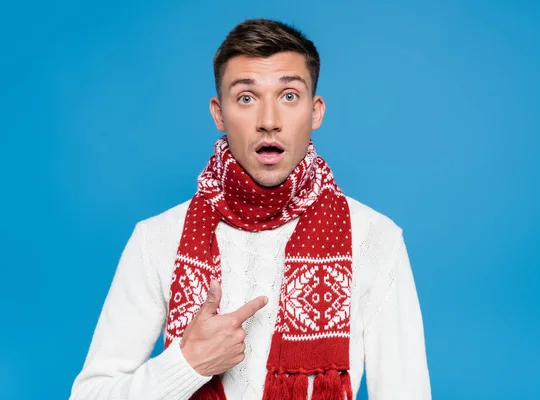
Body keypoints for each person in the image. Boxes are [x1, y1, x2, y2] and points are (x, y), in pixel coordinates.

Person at [69, 18, 431, 400]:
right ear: (219, 113)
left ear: (316, 111)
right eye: (246, 98)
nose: (269, 122)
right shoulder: (157, 239)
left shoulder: (375, 239)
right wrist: (186, 364)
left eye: (289, 95)